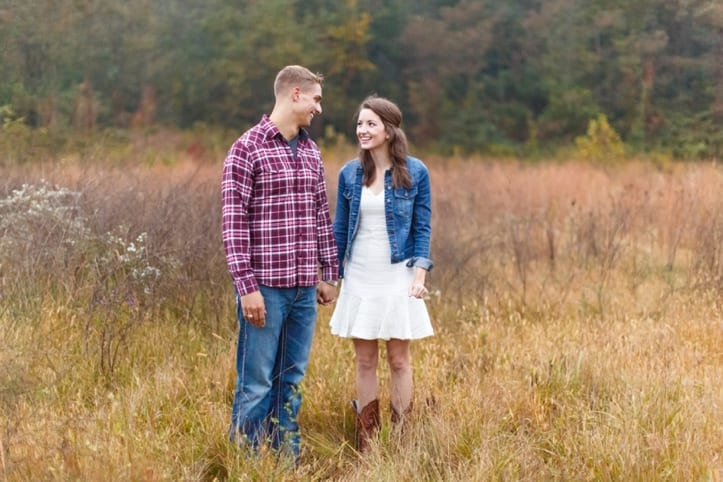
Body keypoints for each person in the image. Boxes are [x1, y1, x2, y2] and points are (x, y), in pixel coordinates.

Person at [221, 65, 339, 461]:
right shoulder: (246, 148)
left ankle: (285, 461)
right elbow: (233, 224)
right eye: (315, 99)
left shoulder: (310, 150)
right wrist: (246, 287)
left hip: (305, 288)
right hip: (265, 289)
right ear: (294, 94)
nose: (318, 109)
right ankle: (248, 464)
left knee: (291, 380)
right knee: (255, 383)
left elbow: (321, 214)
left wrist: (329, 274)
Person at [329, 95, 434, 452]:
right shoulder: (349, 173)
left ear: (389, 130)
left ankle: (403, 438)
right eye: (360, 123)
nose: (363, 130)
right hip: (359, 274)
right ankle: (369, 441)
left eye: (371, 124)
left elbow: (422, 228)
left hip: (398, 275)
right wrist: (329, 275)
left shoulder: (415, 172)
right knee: (364, 359)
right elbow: (339, 230)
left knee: (399, 358)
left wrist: (420, 274)